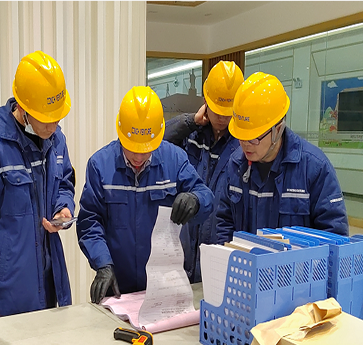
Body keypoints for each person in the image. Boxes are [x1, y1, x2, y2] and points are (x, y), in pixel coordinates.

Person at [0, 51, 75, 321]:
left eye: (58, 118)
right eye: (46, 118)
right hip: (8, 290)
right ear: (23, 108)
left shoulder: (56, 140)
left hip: (49, 280)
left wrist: (63, 208)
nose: (54, 126)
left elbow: (65, 182)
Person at [76, 86, 214, 304]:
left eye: (146, 149)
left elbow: (205, 195)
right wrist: (102, 264)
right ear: (121, 134)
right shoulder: (100, 166)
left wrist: (196, 201)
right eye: (132, 148)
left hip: (165, 288)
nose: (139, 157)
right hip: (118, 288)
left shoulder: (175, 159)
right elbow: (90, 223)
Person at [216, 72, 348, 243]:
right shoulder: (236, 165)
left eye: (254, 138)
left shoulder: (314, 168)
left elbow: (335, 237)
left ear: (278, 130)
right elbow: (224, 223)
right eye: (241, 136)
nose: (245, 144)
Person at [164, 61, 244, 283]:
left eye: (227, 112)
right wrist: (190, 121)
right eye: (217, 110)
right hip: (184, 249)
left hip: (220, 255)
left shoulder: (245, 145)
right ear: (205, 101)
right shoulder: (192, 135)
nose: (222, 118)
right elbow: (158, 144)